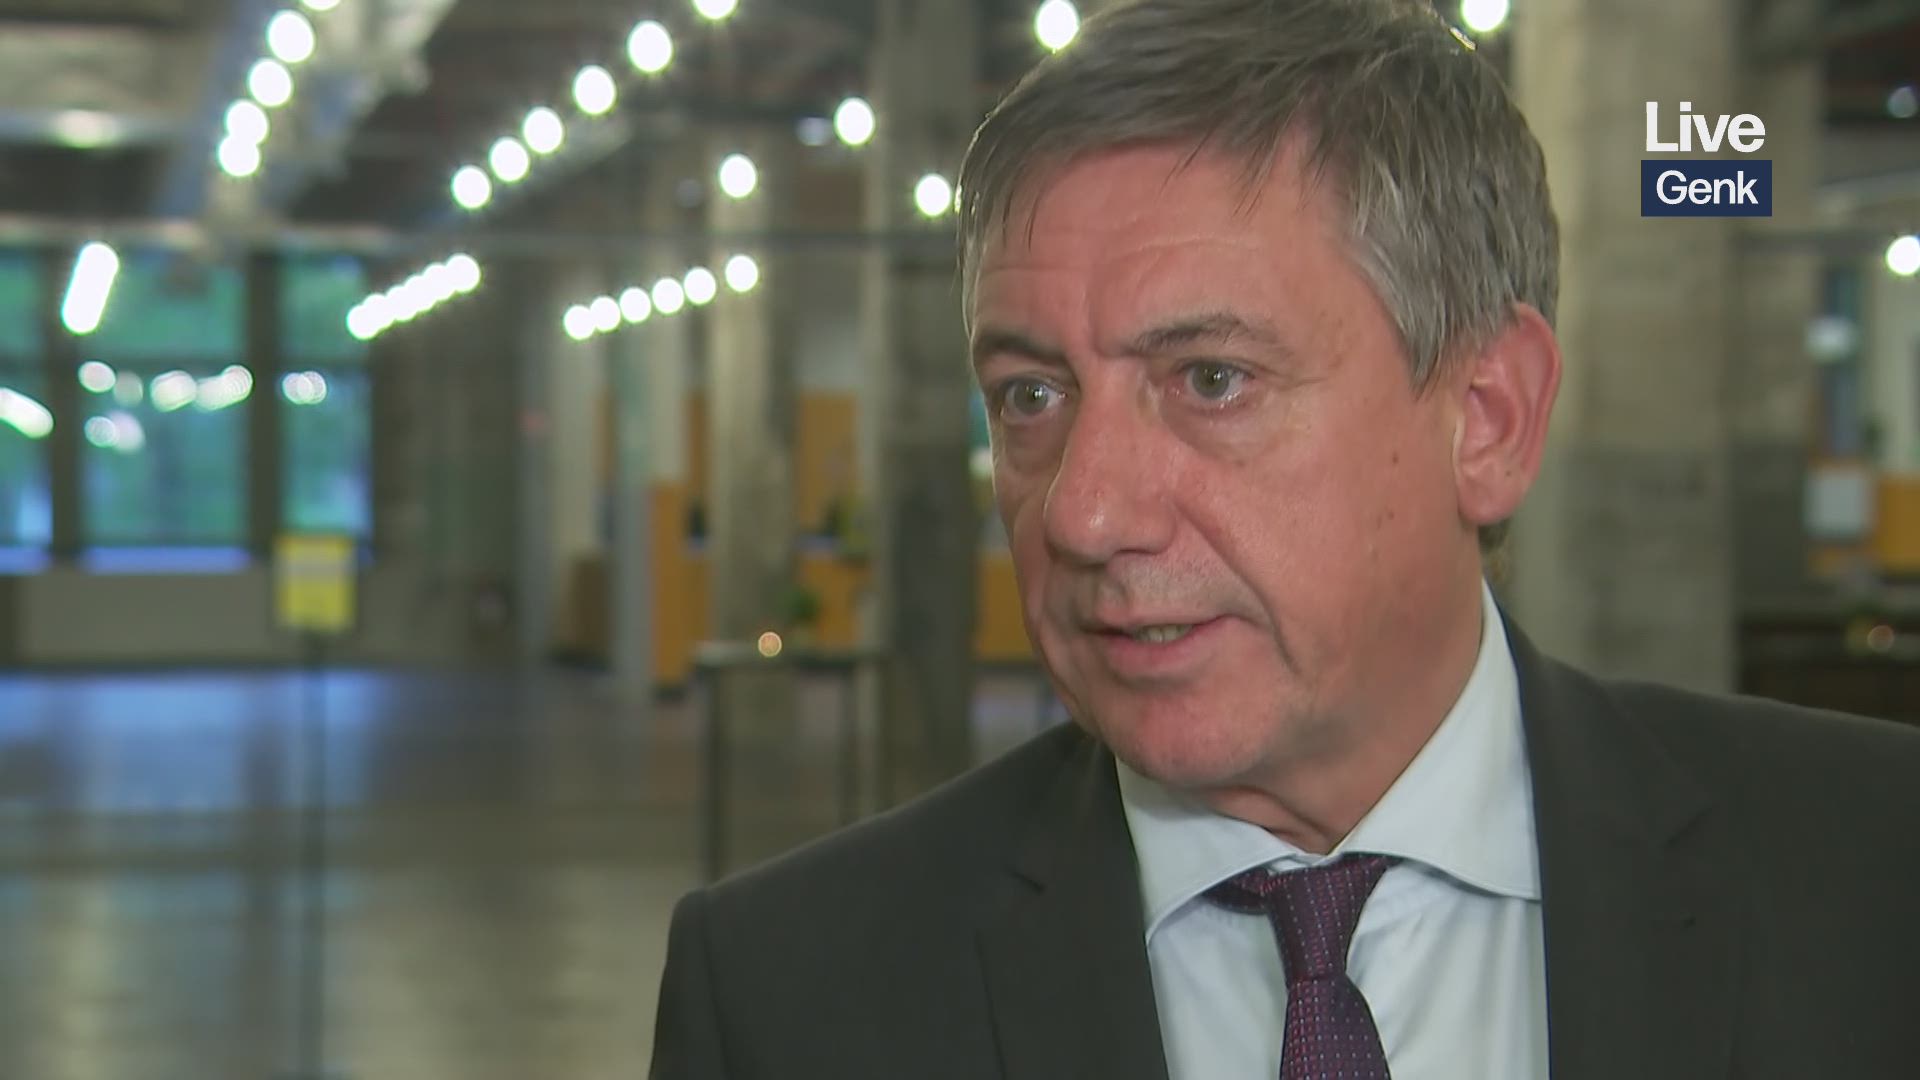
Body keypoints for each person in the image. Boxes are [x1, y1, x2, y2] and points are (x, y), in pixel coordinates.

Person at [650, 0, 1920, 1076]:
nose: (1084, 514)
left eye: (1212, 380)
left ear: (1487, 417)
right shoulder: (784, 1000)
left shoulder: (1879, 879)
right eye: (1031, 396)